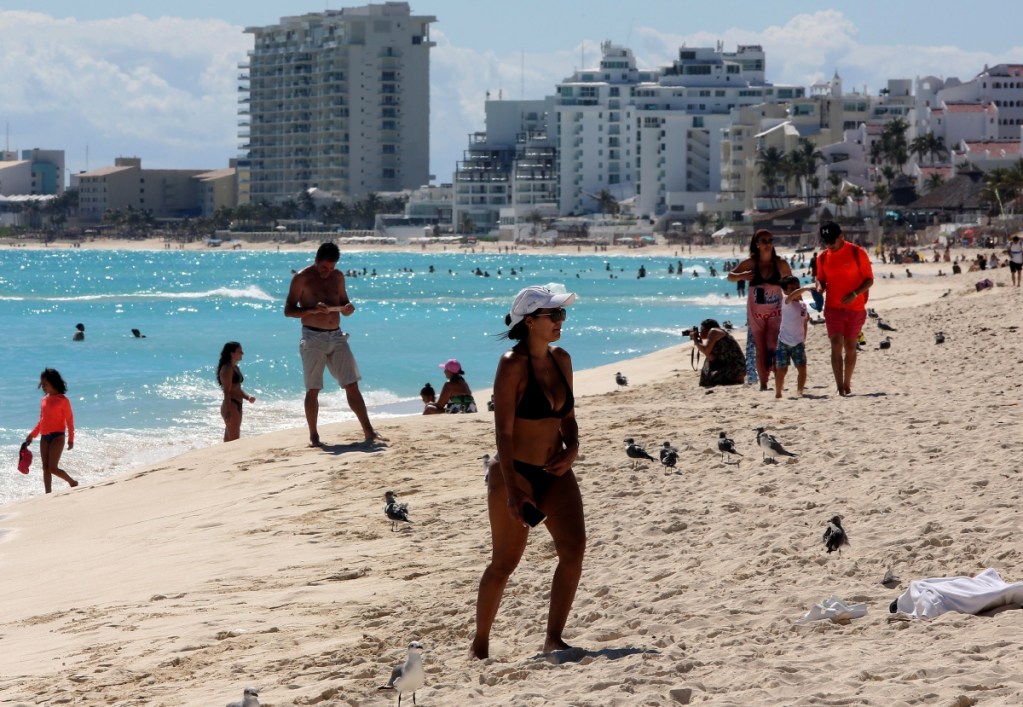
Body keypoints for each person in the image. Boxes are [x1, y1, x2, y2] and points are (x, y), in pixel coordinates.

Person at [470, 285, 583, 660]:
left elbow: (567, 415)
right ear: (531, 321)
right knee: (505, 563)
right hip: (514, 472)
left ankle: (553, 638)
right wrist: (514, 490)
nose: (561, 321)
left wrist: (573, 448)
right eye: (555, 315)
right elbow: (502, 431)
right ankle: (480, 644)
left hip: (555, 470)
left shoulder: (561, 358)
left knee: (574, 550)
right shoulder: (511, 364)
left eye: (562, 315)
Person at [284, 242, 386, 446]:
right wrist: (312, 310)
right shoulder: (302, 278)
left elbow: (344, 303)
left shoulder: (338, 277)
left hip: (337, 336)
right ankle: (314, 436)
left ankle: (369, 431)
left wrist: (348, 309)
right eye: (324, 268)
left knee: (352, 384)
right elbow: (288, 310)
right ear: (316, 261)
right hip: (313, 337)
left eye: (331, 268)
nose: (327, 272)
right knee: (313, 389)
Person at [727, 229, 792, 390]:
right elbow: (730, 276)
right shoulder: (751, 263)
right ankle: (763, 383)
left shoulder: (780, 264)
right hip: (755, 314)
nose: (768, 244)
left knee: (773, 345)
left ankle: (777, 379)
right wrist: (742, 276)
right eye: (764, 241)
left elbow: (791, 285)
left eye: (770, 240)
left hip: (776, 312)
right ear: (757, 244)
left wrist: (795, 306)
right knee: (761, 349)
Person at [815, 222, 874, 397]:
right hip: (833, 308)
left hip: (855, 308)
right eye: (826, 241)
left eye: (832, 241)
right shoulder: (822, 258)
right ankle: (840, 387)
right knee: (835, 344)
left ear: (841, 236)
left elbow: (869, 280)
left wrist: (855, 293)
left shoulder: (857, 253)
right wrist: (819, 288)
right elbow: (820, 279)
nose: (829, 245)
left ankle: (847, 383)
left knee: (850, 347)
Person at [25, 368, 78, 494]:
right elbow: (41, 421)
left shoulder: (63, 400)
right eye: (42, 384)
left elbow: (70, 421)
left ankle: (71, 481)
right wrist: (32, 435)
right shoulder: (44, 401)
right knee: (45, 467)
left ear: (54, 383)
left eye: (45, 384)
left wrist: (71, 439)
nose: (42, 387)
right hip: (44, 437)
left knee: (52, 468)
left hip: (58, 437)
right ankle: (48, 493)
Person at [775, 275, 811, 398]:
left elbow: (804, 322)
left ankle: (799, 391)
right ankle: (778, 393)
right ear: (785, 291)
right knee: (782, 369)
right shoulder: (786, 301)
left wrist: (804, 338)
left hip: (798, 342)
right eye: (792, 288)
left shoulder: (803, 305)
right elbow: (792, 296)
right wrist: (805, 289)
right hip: (783, 342)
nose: (796, 290)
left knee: (802, 368)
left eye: (798, 287)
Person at [688, 318, 746, 388]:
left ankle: (736, 379)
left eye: (701, 329)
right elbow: (711, 358)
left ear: (706, 328)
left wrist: (695, 339)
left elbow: (706, 350)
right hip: (730, 367)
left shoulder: (714, 331)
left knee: (710, 380)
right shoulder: (715, 336)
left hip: (735, 367)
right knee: (706, 377)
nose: (700, 332)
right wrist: (699, 343)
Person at [217, 341, 255, 442]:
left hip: (236, 404)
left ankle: (224, 456)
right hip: (231, 405)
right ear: (232, 353)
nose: (242, 353)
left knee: (229, 438)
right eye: (240, 351)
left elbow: (236, 388)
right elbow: (227, 391)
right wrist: (228, 410)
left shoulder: (235, 367)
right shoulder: (227, 368)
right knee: (235, 439)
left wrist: (247, 397)